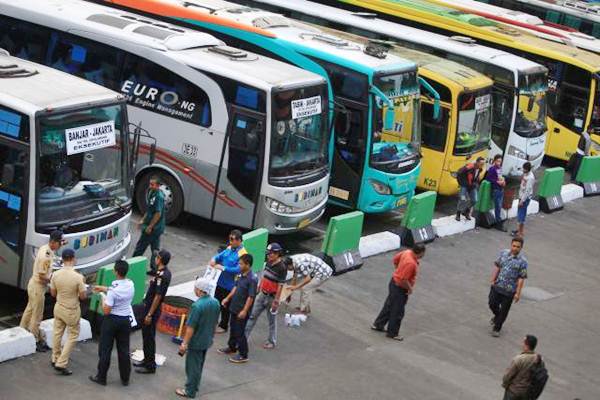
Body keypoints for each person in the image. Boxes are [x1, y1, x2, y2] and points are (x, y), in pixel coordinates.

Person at [90, 260, 135, 386]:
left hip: (111, 321)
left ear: (116, 271)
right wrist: (105, 288)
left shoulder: (112, 292)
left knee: (105, 349)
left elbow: (106, 310)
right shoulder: (130, 284)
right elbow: (117, 289)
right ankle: (125, 378)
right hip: (125, 320)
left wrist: (103, 296)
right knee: (124, 350)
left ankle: (101, 377)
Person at [175, 277, 220, 399]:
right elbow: (215, 322)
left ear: (200, 290)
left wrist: (184, 343)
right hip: (207, 339)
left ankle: (190, 390)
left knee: (192, 366)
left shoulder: (197, 306)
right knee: (199, 364)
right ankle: (195, 385)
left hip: (196, 341)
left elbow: (190, 327)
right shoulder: (215, 302)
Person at [371, 244, 426, 341]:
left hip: (393, 283)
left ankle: (378, 324)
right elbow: (403, 280)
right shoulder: (411, 263)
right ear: (420, 253)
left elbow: (395, 260)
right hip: (400, 288)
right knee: (398, 311)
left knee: (389, 305)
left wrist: (398, 270)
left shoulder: (406, 252)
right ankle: (392, 333)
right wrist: (410, 288)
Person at [20, 229, 63, 352]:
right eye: (59, 242)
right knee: (37, 315)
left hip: (34, 286)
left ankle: (22, 330)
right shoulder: (46, 256)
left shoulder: (46, 248)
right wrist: (54, 280)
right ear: (54, 242)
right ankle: (35, 339)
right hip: (38, 287)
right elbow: (42, 276)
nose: (60, 245)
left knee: (29, 310)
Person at [134, 249, 172, 374]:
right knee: (146, 336)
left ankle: (150, 365)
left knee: (149, 337)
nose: (155, 258)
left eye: (157, 257)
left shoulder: (162, 275)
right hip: (149, 307)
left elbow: (158, 296)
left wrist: (149, 314)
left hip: (152, 310)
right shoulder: (161, 272)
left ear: (160, 259)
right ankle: (146, 359)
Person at [49, 249, 87, 375]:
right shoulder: (78, 277)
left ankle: (55, 357)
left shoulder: (55, 274)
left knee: (57, 333)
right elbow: (83, 297)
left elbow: (53, 293)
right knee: (73, 335)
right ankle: (61, 362)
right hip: (71, 310)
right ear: (73, 258)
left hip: (59, 307)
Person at [245, 243, 287, 350]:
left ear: (277, 254)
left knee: (271, 320)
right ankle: (244, 337)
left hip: (271, 298)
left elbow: (280, 285)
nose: (268, 256)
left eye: (271, 254)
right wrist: (259, 287)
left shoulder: (282, 268)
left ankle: (272, 341)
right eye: (268, 254)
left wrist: (276, 301)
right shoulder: (268, 263)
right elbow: (264, 276)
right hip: (262, 294)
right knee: (252, 316)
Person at [218, 253, 257, 364]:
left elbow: (251, 297)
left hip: (242, 310)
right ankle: (231, 347)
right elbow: (235, 288)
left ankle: (243, 354)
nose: (239, 266)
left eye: (241, 264)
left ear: (247, 265)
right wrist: (227, 298)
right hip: (234, 307)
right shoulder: (241, 274)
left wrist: (245, 310)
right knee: (233, 328)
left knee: (240, 332)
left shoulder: (252, 279)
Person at [489, 237, 528, 337]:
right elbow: (498, 266)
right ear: (511, 245)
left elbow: (521, 278)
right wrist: (493, 279)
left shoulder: (523, 262)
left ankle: (497, 328)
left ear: (521, 248)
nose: (515, 248)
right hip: (498, 285)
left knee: (504, 311)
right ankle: (497, 317)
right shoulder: (503, 253)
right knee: (492, 303)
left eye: (518, 247)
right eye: (514, 246)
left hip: (509, 290)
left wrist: (518, 293)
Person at [210, 230, 247, 334]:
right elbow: (220, 256)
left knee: (225, 306)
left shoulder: (242, 254)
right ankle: (214, 322)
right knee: (216, 302)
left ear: (239, 240)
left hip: (230, 285)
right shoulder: (229, 248)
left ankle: (223, 325)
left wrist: (223, 268)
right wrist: (214, 259)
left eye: (232, 239)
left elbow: (238, 269)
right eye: (229, 239)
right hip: (220, 281)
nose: (230, 242)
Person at [132, 176, 165, 274]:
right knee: (155, 248)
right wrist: (142, 220)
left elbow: (158, 213)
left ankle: (132, 265)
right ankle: (155, 268)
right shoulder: (151, 193)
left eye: (152, 184)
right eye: (150, 184)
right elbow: (150, 209)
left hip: (154, 227)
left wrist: (150, 226)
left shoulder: (159, 197)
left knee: (140, 247)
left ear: (158, 186)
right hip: (155, 227)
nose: (150, 186)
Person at [502, 335, 544, 400]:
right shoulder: (539, 359)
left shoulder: (519, 359)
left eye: (523, 342)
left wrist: (505, 385)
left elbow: (507, 376)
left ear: (526, 345)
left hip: (514, 391)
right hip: (527, 393)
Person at [455, 156, 485, 221]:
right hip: (464, 186)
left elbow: (476, 178)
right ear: (477, 162)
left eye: (483, 164)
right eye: (481, 163)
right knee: (462, 199)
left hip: (472, 186)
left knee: (474, 200)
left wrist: (476, 183)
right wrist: (461, 183)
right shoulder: (469, 167)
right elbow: (459, 173)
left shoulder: (480, 169)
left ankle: (466, 211)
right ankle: (458, 213)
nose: (482, 165)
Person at [512, 162, 535, 238]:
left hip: (524, 199)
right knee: (521, 214)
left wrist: (522, 201)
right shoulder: (525, 174)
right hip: (521, 196)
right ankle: (519, 231)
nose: (523, 170)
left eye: (524, 169)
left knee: (521, 216)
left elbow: (527, 191)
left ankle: (519, 233)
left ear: (527, 169)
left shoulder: (530, 178)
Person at [485, 154, 507, 231]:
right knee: (498, 207)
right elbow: (488, 179)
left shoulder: (499, 168)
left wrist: (503, 181)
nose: (499, 163)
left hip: (501, 189)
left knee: (499, 206)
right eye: (498, 161)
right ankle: (498, 223)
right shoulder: (492, 169)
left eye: (500, 161)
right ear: (494, 161)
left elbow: (501, 177)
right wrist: (497, 182)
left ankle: (499, 221)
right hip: (496, 189)